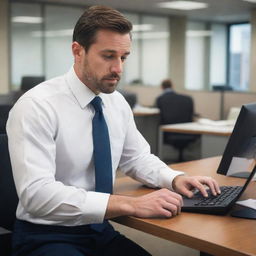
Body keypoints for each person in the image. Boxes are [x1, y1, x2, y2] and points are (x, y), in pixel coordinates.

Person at [7, 6, 220, 256]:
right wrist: (130, 204)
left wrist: (173, 178)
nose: (118, 68)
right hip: (47, 235)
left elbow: (136, 157)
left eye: (124, 57)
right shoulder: (37, 106)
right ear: (78, 51)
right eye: (108, 56)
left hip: (99, 229)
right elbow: (36, 195)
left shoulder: (115, 102)